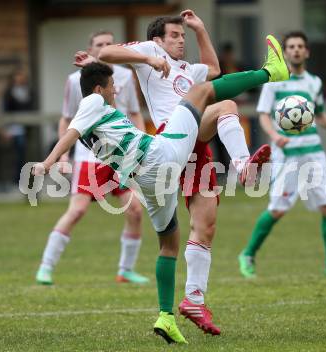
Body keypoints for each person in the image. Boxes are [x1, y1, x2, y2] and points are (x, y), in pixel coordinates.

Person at [33, 34, 288, 343]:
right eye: (112, 86)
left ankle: (166, 316)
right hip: (161, 154)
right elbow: (71, 130)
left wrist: (92, 65)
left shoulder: (96, 111)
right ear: (100, 89)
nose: (117, 89)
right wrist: (48, 162)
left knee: (169, 245)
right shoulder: (93, 101)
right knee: (207, 93)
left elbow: (83, 130)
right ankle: (270, 74)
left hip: (148, 183)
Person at [78, 10, 263, 335]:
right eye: (175, 36)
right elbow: (106, 53)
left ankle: (193, 299)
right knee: (226, 106)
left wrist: (201, 29)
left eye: (182, 36)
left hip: (197, 144)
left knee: (205, 225)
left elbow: (216, 70)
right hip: (171, 138)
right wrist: (148, 60)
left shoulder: (188, 69)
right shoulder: (150, 52)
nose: (180, 41)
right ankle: (242, 162)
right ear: (158, 40)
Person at [238, 31, 326, 279]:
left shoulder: (314, 82)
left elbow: (320, 114)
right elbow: (262, 115)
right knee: (278, 210)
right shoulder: (275, 81)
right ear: (286, 51)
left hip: (314, 152)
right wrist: (274, 134)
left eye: (300, 46)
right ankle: (247, 254)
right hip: (286, 155)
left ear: (307, 51)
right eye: (291, 46)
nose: (295, 50)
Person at [35, 30, 149, 286]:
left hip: (119, 156)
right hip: (90, 156)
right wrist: (62, 155)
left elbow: (131, 113)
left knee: (134, 210)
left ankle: (125, 270)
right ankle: (46, 266)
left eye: (110, 44)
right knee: (77, 210)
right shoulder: (75, 80)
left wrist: (139, 149)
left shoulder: (124, 77)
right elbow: (68, 119)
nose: (105, 47)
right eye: (100, 44)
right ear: (91, 48)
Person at [2, 69, 33, 184]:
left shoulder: (28, 91)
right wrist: (5, 129)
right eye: (18, 76)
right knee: (16, 153)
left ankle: (22, 177)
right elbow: (5, 110)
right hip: (13, 127)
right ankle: (16, 178)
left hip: (26, 127)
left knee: (23, 153)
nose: (20, 79)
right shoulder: (9, 92)